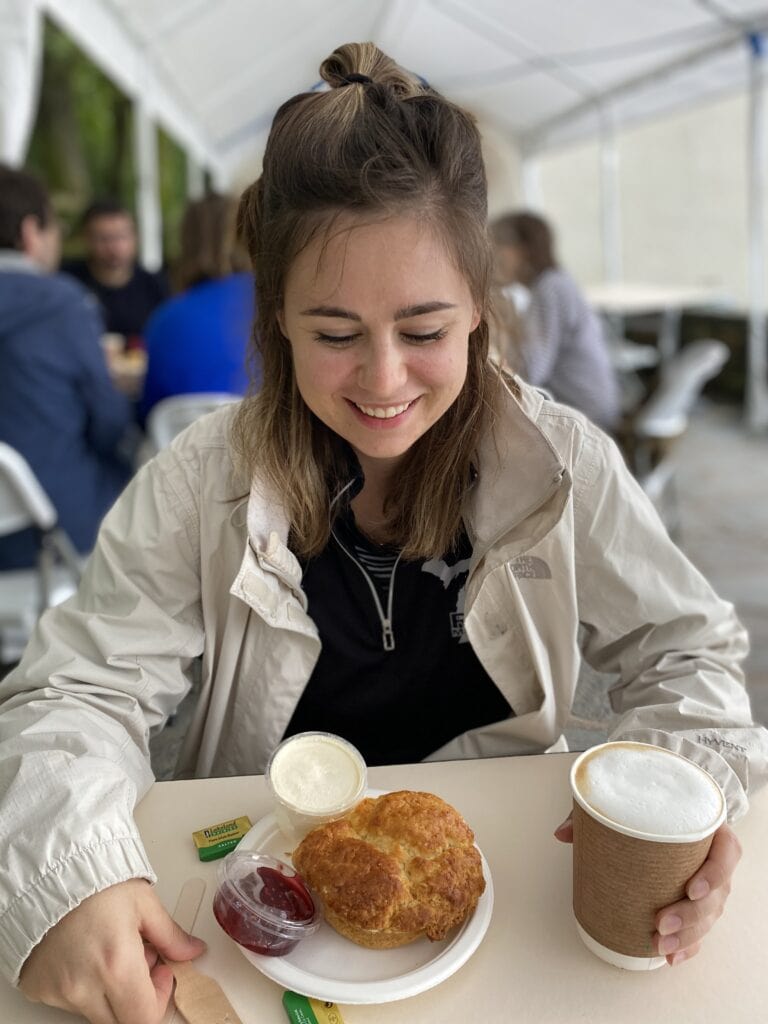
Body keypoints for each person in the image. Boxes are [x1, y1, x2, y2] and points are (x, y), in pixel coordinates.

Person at [0, 43, 764, 1024]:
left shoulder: (564, 462)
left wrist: (685, 795)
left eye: (425, 329)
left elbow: (689, 648)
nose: (386, 380)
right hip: (249, 925)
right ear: (275, 319)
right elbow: (73, 689)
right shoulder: (201, 481)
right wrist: (70, 874)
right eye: (333, 334)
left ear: (482, 311)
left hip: (517, 908)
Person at [0, 165, 134, 568]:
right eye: (54, 226)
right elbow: (108, 422)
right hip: (51, 534)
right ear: (29, 232)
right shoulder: (64, 304)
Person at [491, 210, 621, 430]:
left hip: (586, 416)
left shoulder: (549, 289)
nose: (492, 257)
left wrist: (500, 321)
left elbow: (531, 372)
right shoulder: (558, 283)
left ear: (522, 251)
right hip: (596, 406)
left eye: (497, 246)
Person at [139, 193, 257, 419]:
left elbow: (149, 411)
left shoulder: (164, 319)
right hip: (267, 446)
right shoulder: (275, 307)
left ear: (186, 242)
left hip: (186, 449)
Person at [63, 199, 168, 338]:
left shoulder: (155, 286)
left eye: (121, 237)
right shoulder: (68, 283)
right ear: (87, 239)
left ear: (135, 238)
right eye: (104, 239)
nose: (114, 247)